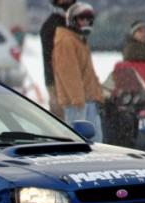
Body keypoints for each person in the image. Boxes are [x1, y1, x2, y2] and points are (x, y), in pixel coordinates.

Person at [53, 2, 103, 142]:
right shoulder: (66, 41)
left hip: (88, 101)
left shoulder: (79, 40)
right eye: (82, 19)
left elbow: (89, 73)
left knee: (96, 143)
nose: (85, 22)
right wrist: (78, 101)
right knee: (81, 143)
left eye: (88, 19)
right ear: (73, 20)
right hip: (77, 104)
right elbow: (69, 74)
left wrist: (98, 94)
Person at [40, 0, 76, 115]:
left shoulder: (73, 22)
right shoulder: (52, 25)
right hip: (57, 81)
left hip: (72, 80)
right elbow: (51, 56)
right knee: (60, 121)